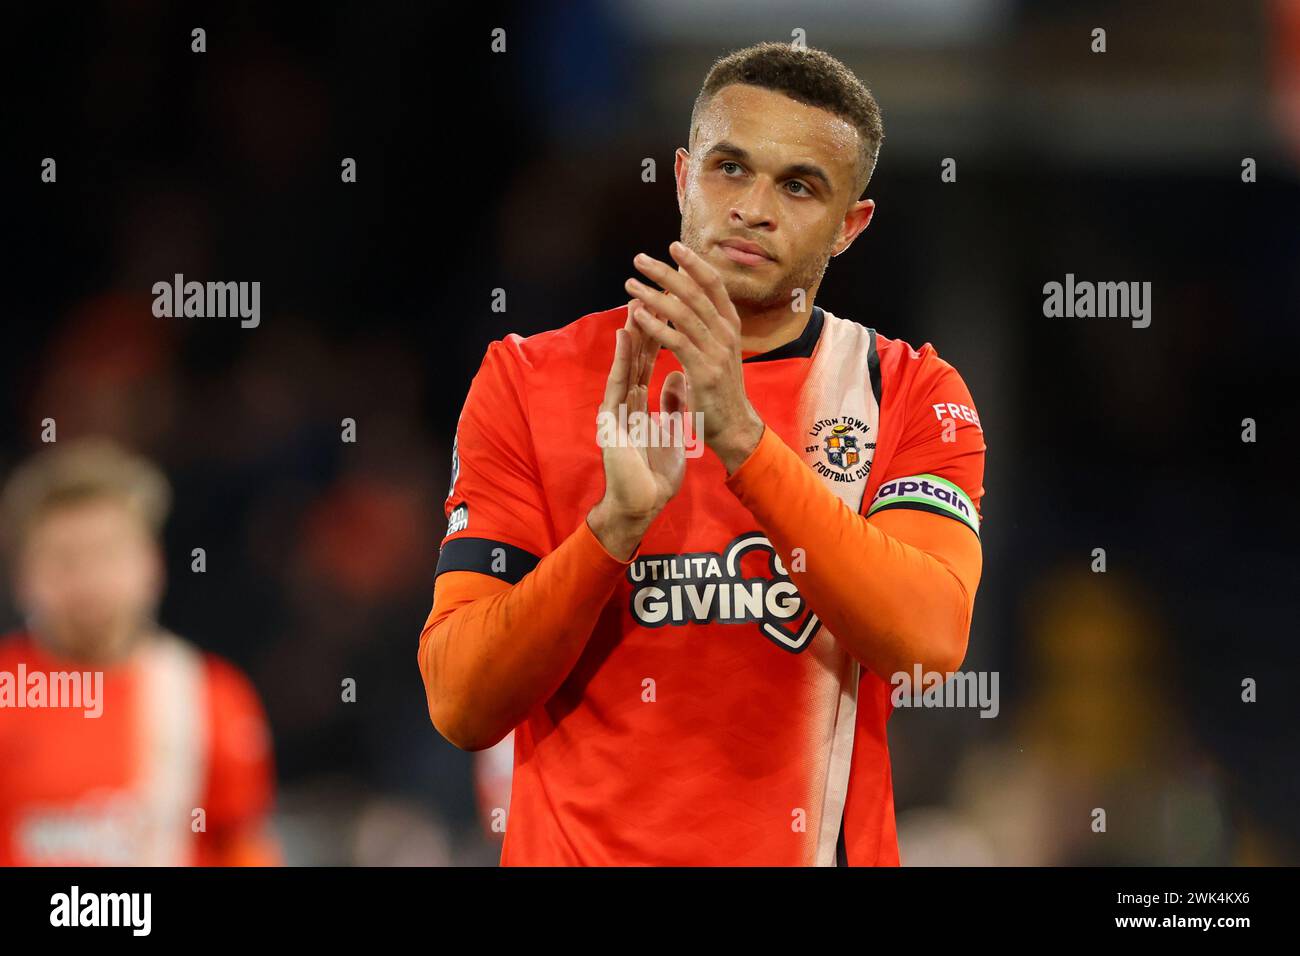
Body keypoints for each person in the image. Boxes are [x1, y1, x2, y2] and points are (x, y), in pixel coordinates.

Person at [419, 42, 986, 865]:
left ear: (850, 226)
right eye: (730, 168)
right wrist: (611, 531)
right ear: (683, 176)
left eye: (798, 185)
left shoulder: (909, 392)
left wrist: (745, 446)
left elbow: (930, 640)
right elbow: (461, 704)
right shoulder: (527, 380)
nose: (754, 207)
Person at [0, 438, 278, 865]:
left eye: (106, 553)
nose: (87, 580)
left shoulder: (209, 698)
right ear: (22, 578)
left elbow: (242, 847)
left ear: (151, 564)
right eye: (63, 558)